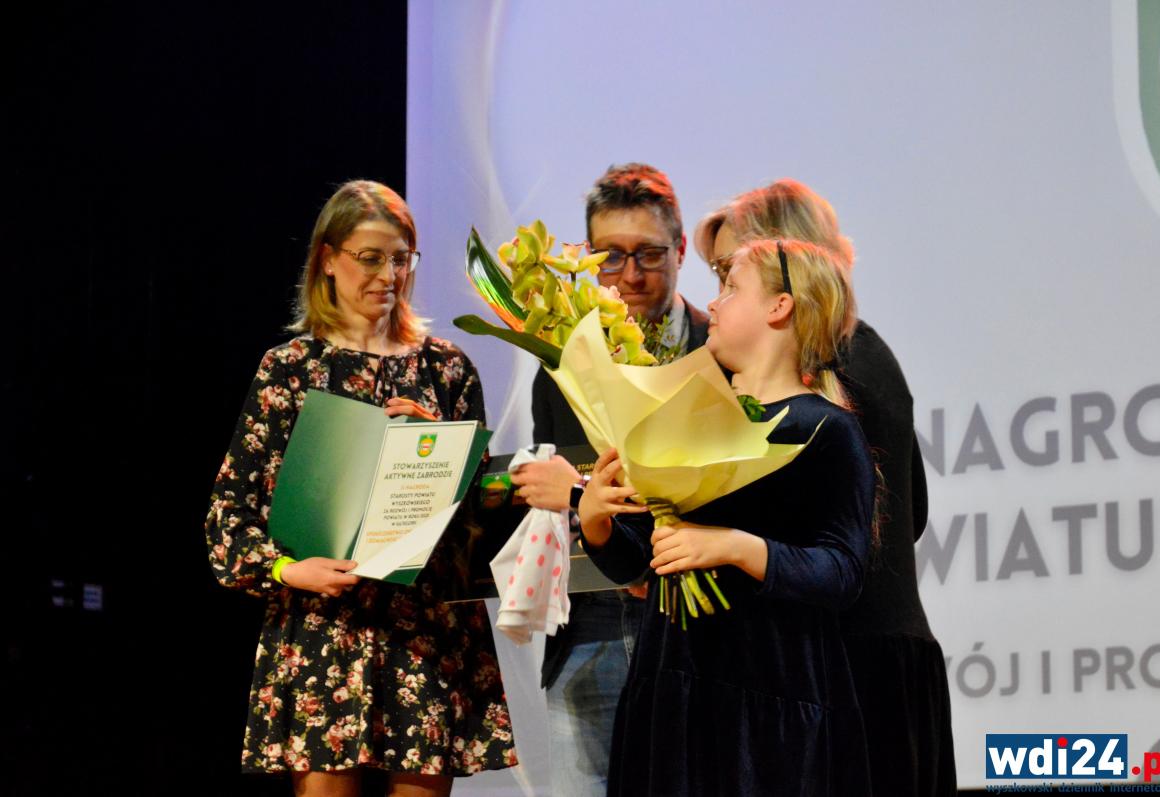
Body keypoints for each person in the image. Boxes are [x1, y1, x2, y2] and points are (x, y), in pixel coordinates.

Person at [205, 180, 517, 797]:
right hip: (323, 625)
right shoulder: (290, 369)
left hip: (425, 630)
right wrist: (290, 570)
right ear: (328, 259)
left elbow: (482, 517)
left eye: (401, 259)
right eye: (370, 258)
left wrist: (443, 446)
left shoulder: (445, 368)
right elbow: (228, 515)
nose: (389, 275)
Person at [579, 238, 875, 796]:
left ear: (780, 306)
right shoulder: (686, 418)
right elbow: (639, 561)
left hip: (767, 697)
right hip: (672, 684)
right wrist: (596, 521)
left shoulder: (825, 429)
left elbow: (842, 572)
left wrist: (735, 546)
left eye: (731, 288)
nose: (712, 303)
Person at [695, 178, 957, 795]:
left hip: (851, 663)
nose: (718, 296)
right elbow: (913, 512)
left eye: (732, 274)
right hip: (881, 653)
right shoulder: (866, 350)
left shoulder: (829, 368)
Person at [508, 163, 708, 797]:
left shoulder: (721, 351)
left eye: (648, 253)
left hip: (696, 634)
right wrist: (545, 489)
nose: (629, 275)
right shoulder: (562, 363)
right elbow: (555, 498)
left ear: (680, 249)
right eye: (610, 257)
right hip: (589, 629)